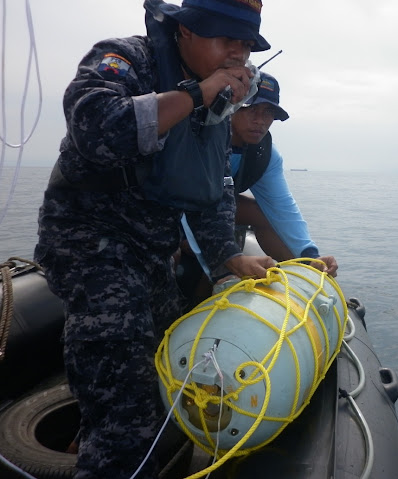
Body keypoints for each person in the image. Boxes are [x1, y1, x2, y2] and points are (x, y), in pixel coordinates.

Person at [33, 1, 273, 477]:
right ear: (185, 31)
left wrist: (226, 254)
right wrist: (197, 93)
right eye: (227, 41)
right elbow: (95, 128)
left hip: (151, 252)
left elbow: (212, 185)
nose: (237, 56)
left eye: (245, 46)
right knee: (126, 405)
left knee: (171, 363)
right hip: (91, 243)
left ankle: (101, 434)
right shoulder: (124, 60)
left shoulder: (221, 103)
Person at [180, 71, 337, 298]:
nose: (260, 121)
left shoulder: (263, 154)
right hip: (173, 208)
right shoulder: (200, 137)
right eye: (251, 109)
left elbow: (282, 207)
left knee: (262, 214)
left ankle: (302, 277)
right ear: (231, 105)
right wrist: (228, 262)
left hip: (214, 208)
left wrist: (310, 256)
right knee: (182, 251)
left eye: (268, 113)